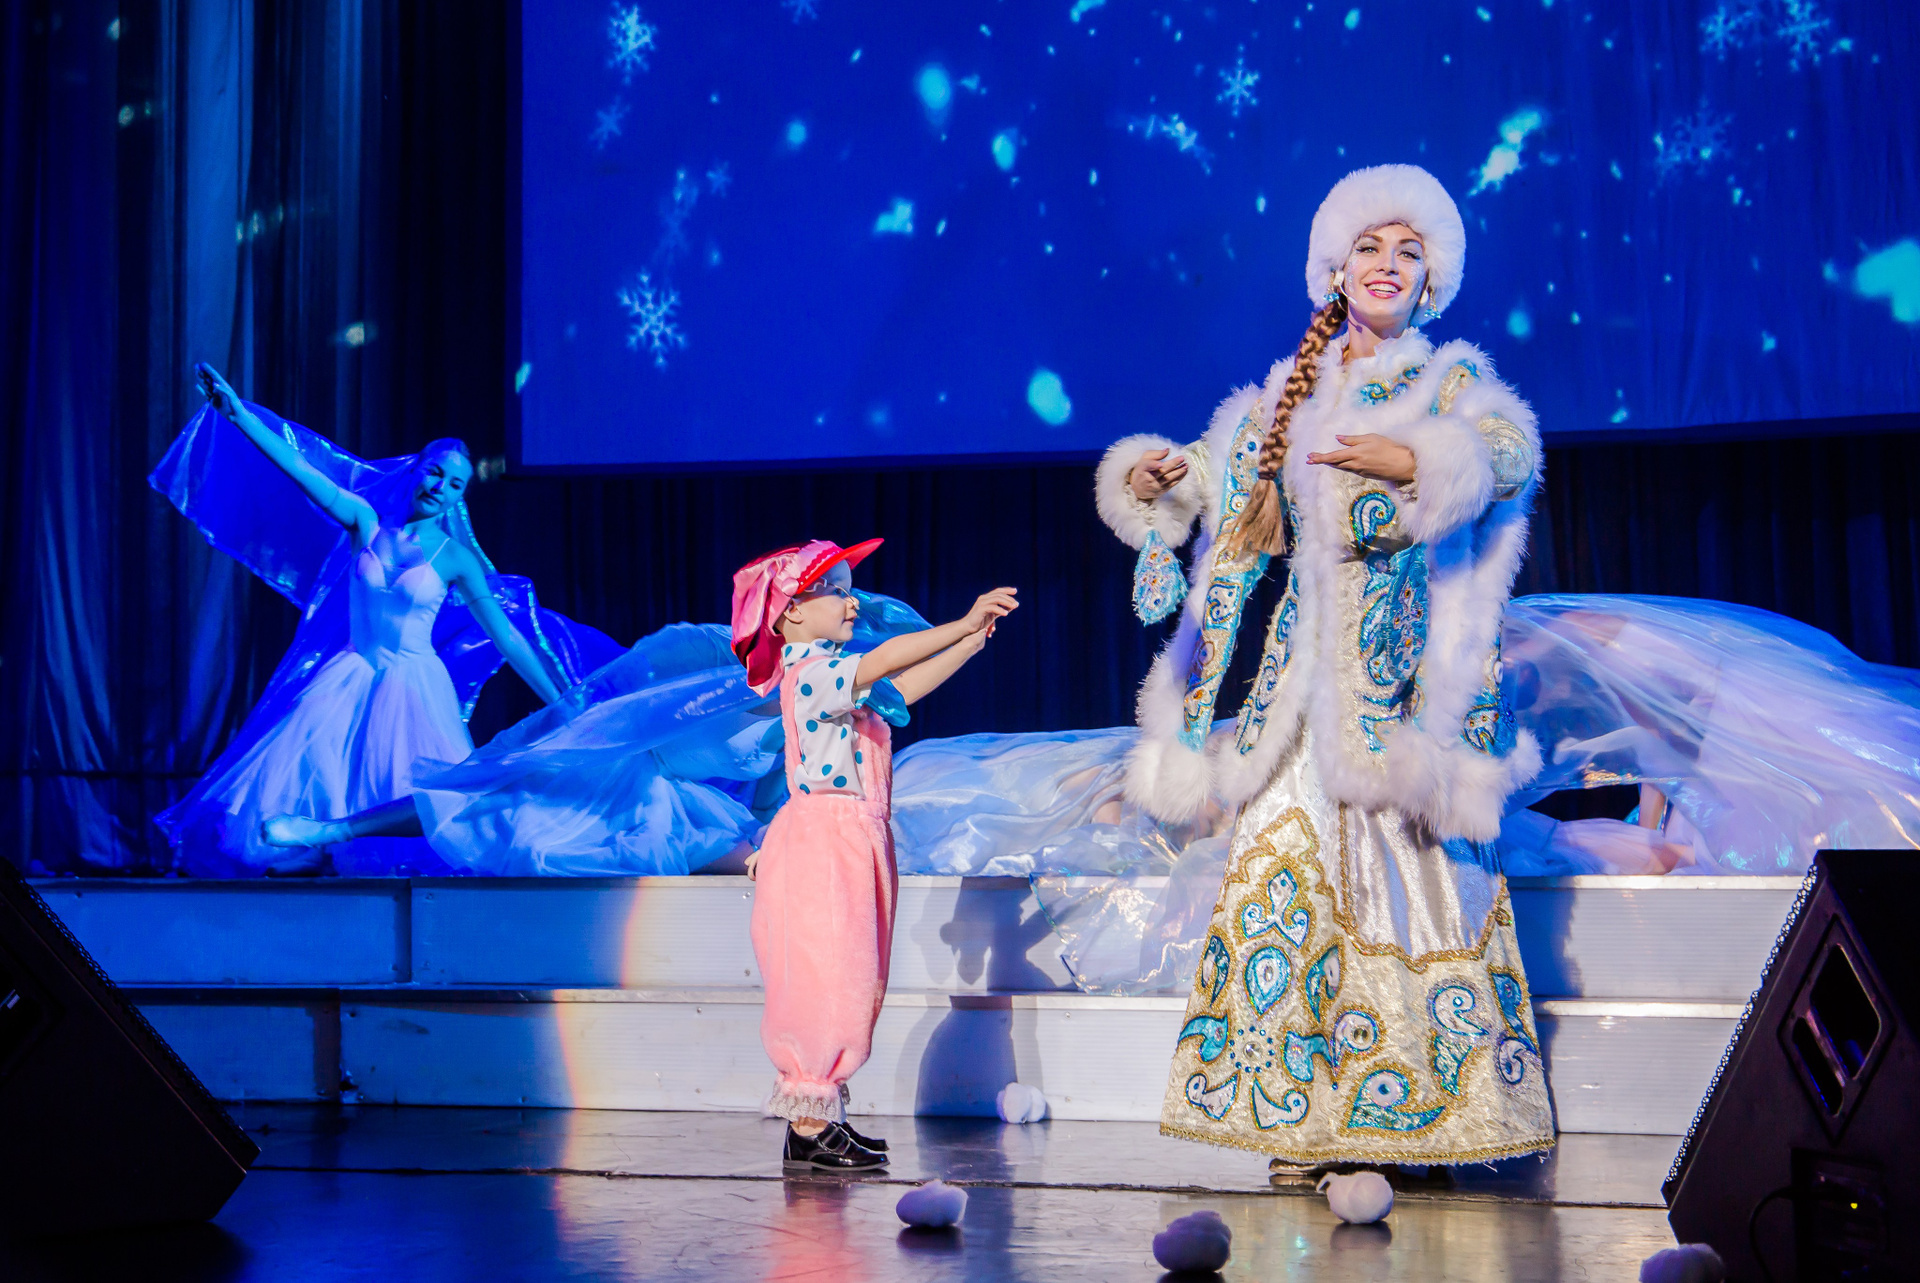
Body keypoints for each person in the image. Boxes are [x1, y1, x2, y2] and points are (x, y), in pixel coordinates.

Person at [1096, 165, 1553, 1177]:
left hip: (1400, 689)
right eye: (1369, 249)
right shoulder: (1286, 395)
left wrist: (1421, 461)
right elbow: (1214, 483)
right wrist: (1153, 477)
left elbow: (1509, 449)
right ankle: (1297, 1120)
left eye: (1408, 252)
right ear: (1335, 271)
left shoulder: (1449, 381)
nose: (1387, 264)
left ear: (1430, 279)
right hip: (1298, 691)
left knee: (1403, 886)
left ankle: (1410, 1117)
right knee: (1281, 876)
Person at [155, 364, 569, 876]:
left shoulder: (455, 557)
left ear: (461, 497)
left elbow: (506, 638)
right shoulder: (366, 522)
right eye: (435, 472)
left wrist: (560, 700)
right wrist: (239, 416)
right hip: (350, 672)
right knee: (317, 768)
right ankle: (313, 863)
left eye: (455, 484)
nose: (440, 486)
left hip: (414, 686)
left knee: (418, 797)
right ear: (415, 469)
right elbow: (302, 471)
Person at [730, 539, 1016, 1171]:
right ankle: (809, 1126)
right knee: (829, 976)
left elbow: (899, 688)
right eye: (835, 590)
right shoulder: (813, 674)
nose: (851, 600)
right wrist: (961, 622)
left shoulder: (837, 677)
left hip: (853, 836)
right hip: (827, 841)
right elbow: (884, 661)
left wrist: (969, 643)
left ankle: (821, 1115)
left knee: (856, 977)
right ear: (792, 611)